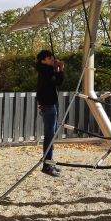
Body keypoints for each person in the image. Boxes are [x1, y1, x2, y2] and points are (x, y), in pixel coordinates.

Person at [36, 49, 64, 177]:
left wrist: (57, 69)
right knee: (49, 136)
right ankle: (47, 166)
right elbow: (58, 81)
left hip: (48, 105)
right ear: (43, 60)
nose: (52, 59)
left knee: (50, 135)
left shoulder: (45, 70)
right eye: (49, 58)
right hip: (48, 106)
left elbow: (56, 81)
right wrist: (60, 68)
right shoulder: (45, 71)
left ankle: (49, 164)